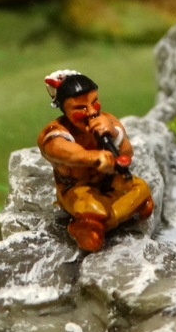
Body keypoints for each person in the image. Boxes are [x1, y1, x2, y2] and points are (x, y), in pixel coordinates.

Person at [37, 70, 153, 252]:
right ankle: (101, 219)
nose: (91, 111)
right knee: (92, 207)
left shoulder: (108, 121)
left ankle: (100, 223)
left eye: (94, 102)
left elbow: (127, 153)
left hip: (109, 182)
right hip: (77, 190)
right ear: (64, 109)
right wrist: (94, 157)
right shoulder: (55, 133)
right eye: (80, 108)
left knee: (141, 188)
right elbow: (66, 152)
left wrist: (114, 134)